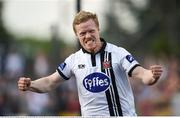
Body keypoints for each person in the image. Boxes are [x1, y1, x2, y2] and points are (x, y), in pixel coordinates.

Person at [18, 10, 163, 116]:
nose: (87, 36)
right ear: (77, 36)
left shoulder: (118, 53)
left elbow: (142, 74)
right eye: (82, 33)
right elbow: (50, 82)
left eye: (91, 31)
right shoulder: (74, 60)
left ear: (98, 29)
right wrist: (31, 84)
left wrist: (152, 75)